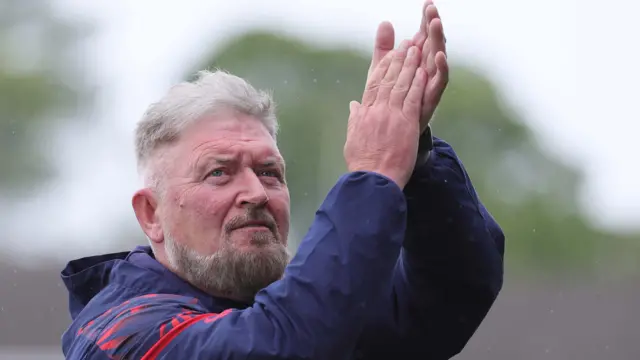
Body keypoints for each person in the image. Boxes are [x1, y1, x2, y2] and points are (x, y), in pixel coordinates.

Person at [60, 2, 505, 359]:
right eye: (219, 173)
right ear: (151, 214)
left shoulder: (302, 312)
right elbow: (285, 344)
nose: (255, 192)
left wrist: (414, 156)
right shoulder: (122, 336)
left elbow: (449, 297)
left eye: (270, 172)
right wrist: (373, 172)